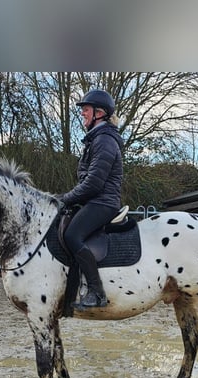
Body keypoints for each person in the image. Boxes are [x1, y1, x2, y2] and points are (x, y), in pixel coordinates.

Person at [60, 89, 124, 309]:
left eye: (86, 110)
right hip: (95, 199)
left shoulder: (104, 140)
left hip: (102, 201)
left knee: (72, 235)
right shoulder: (97, 139)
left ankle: (97, 293)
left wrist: (65, 198)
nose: (83, 114)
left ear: (99, 113)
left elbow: (93, 183)